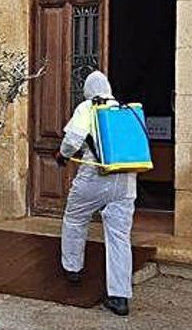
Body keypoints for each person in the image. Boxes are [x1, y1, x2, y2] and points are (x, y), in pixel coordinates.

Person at [54, 71, 137, 316]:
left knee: (75, 218)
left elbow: (73, 139)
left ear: (88, 90)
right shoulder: (124, 109)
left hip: (96, 176)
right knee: (120, 236)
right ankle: (119, 297)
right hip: (125, 179)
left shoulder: (88, 107)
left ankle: (73, 269)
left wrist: (63, 155)